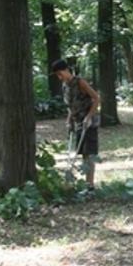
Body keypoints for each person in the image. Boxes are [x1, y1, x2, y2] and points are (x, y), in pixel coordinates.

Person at [50, 59, 101, 189]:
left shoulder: (80, 82)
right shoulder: (65, 85)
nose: (59, 77)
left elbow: (96, 98)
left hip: (88, 123)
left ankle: (90, 185)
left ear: (67, 70)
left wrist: (89, 117)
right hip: (77, 122)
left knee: (89, 153)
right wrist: (69, 119)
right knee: (82, 152)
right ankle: (84, 184)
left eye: (60, 73)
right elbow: (71, 106)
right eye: (57, 75)